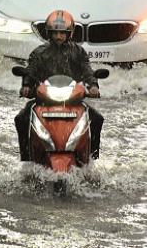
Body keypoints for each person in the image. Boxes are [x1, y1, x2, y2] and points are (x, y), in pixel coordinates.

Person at [15, 10, 104, 161]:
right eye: (55, 33)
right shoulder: (40, 53)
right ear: (49, 33)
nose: (59, 36)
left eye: (63, 33)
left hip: (73, 99)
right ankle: (27, 157)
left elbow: (87, 70)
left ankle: (91, 157)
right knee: (21, 119)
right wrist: (27, 86)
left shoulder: (78, 52)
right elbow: (30, 71)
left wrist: (93, 86)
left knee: (97, 119)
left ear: (69, 33)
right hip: (43, 99)